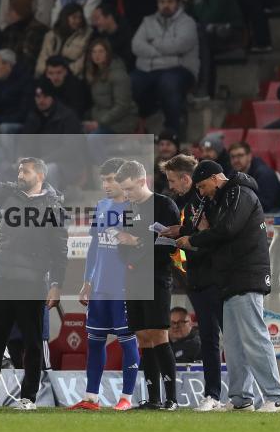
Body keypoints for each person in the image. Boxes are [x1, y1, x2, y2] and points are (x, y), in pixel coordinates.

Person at [0, 121, 68, 411]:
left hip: (33, 283)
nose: (20, 174)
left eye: (26, 170)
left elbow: (60, 250)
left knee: (32, 344)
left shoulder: (54, 207)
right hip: (2, 280)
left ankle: (29, 398)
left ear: (40, 175)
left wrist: (56, 284)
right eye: (19, 170)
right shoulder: (6, 194)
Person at [176, 160, 280, 412]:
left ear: (216, 178)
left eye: (204, 185)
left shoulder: (240, 193)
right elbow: (222, 230)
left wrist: (196, 238)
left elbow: (227, 229)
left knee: (254, 336)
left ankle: (276, 397)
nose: (202, 192)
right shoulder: (223, 199)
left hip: (246, 273)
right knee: (234, 342)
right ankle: (241, 398)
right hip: (228, 277)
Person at [70, 157, 141, 411]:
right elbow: (94, 248)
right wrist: (87, 281)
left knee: (127, 339)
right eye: (104, 180)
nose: (107, 185)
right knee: (95, 339)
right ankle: (91, 397)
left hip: (124, 285)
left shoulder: (136, 209)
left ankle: (126, 397)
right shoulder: (101, 206)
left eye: (111, 179)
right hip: (99, 286)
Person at [160, 153, 225, 411]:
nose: (171, 186)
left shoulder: (205, 201)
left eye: (173, 181)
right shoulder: (185, 203)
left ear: (186, 178)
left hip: (213, 276)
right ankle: (216, 395)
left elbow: (210, 234)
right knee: (210, 336)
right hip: (196, 277)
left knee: (221, 336)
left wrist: (183, 233)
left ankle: (231, 393)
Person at [115, 160, 182, 410]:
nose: (127, 195)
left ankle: (172, 398)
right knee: (142, 335)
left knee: (158, 333)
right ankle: (153, 397)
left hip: (157, 277)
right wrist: (131, 250)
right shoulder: (128, 211)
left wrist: (138, 243)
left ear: (143, 181)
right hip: (133, 278)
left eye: (130, 189)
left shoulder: (164, 205)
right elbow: (122, 244)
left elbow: (168, 245)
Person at [130, 0, 199, 134]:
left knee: (168, 83)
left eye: (170, 2)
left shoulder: (187, 22)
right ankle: (139, 125)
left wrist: (153, 43)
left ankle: (172, 131)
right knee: (130, 82)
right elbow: (136, 46)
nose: (165, 5)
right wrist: (163, 52)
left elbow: (180, 45)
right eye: (162, 2)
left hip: (180, 69)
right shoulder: (147, 21)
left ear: (178, 3)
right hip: (148, 69)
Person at [181, 0, 245, 97]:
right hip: (207, 33)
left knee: (199, 35)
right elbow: (180, 17)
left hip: (230, 33)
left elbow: (208, 18)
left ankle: (204, 88)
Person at [83, 37, 138, 138]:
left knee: (92, 139)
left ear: (108, 53)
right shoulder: (95, 74)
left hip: (122, 121)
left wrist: (100, 122)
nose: (97, 55)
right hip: (104, 119)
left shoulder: (119, 74)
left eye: (101, 51)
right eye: (94, 52)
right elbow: (98, 104)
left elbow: (122, 106)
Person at [36, 3, 92, 77]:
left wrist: (63, 73)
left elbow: (82, 61)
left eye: (80, 17)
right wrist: (48, 73)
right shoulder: (52, 34)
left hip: (71, 76)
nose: (78, 21)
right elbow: (43, 57)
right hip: (49, 75)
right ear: (65, 17)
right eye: (74, 17)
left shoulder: (87, 35)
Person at [228, 141, 280, 212]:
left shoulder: (264, 174)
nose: (236, 160)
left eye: (240, 155)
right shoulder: (232, 174)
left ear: (249, 156)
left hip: (274, 214)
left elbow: (265, 204)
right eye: (232, 157)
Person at [1, 0, 49, 75]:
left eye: (12, 10)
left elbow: (30, 60)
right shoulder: (8, 30)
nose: (8, 14)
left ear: (22, 11)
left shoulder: (39, 31)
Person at [0, 49, 30, 133]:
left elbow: (23, 114)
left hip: (18, 125)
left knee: (4, 128)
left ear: (7, 65)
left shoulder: (25, 83)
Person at [153, 129, 181, 196]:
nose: (164, 148)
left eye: (168, 144)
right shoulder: (156, 166)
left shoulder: (183, 167)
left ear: (176, 147)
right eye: (161, 144)